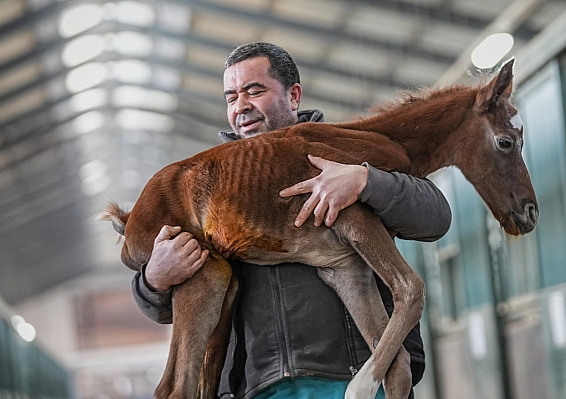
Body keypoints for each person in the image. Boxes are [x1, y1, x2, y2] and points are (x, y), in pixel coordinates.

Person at [131, 42, 451, 399]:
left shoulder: (347, 154)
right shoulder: (213, 187)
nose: (241, 106)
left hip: (354, 374)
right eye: (231, 97)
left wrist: (365, 180)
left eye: (255, 91)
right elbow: (166, 309)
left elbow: (436, 216)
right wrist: (153, 279)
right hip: (259, 386)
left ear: (294, 95)